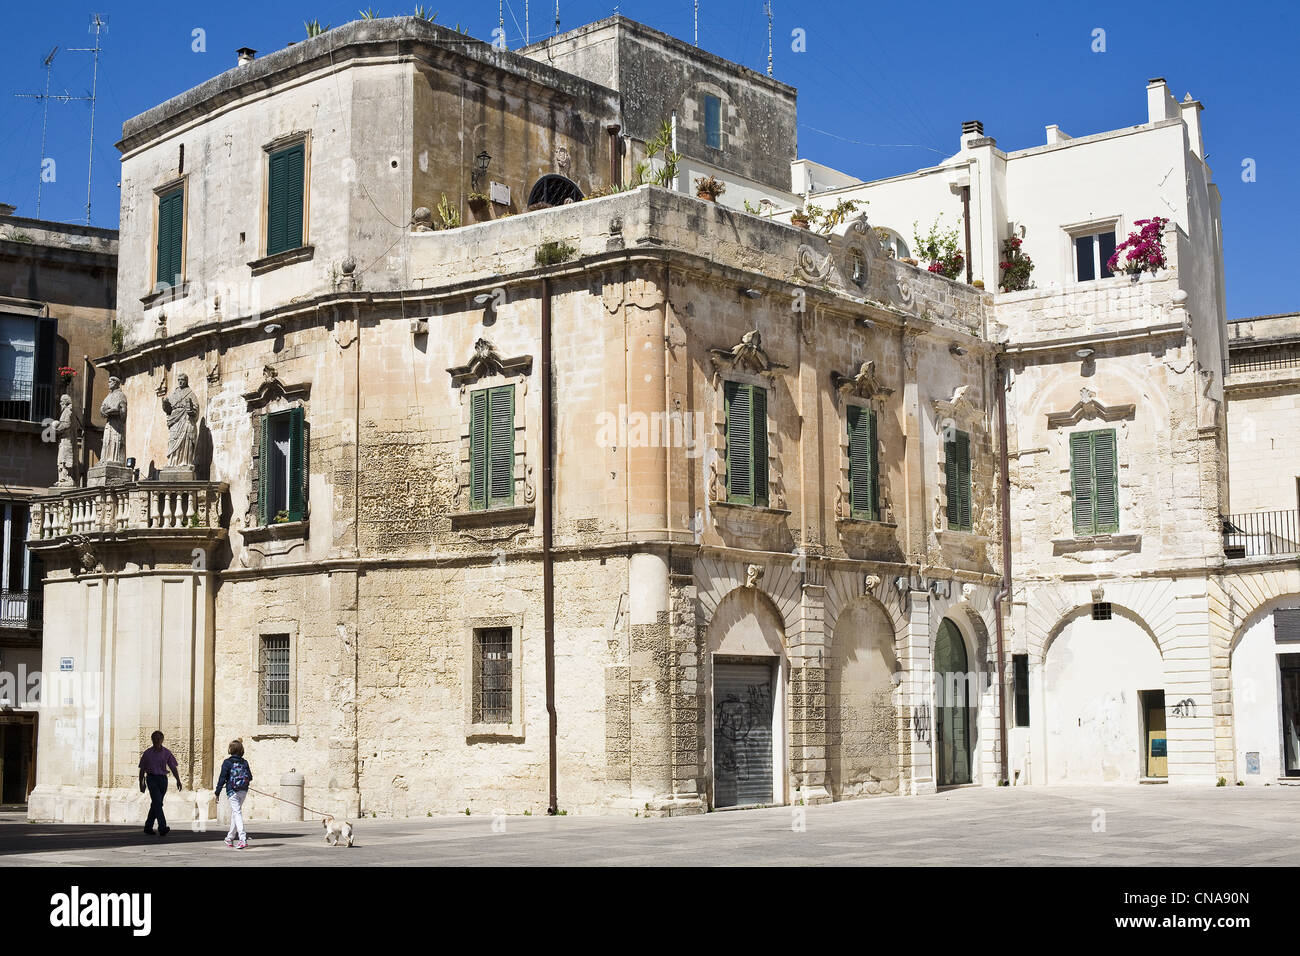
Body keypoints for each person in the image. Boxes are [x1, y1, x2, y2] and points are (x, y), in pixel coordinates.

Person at [138, 730, 183, 836]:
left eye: (159, 738)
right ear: (152, 740)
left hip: (163, 780)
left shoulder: (167, 752)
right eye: (154, 738)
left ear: (162, 740)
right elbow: (142, 769)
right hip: (151, 779)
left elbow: (173, 767)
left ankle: (148, 827)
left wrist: (178, 780)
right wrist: (141, 783)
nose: (156, 740)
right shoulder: (147, 753)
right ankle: (162, 827)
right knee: (158, 803)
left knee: (156, 804)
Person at [213, 739, 253, 849]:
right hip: (243, 791)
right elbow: (250, 777)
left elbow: (222, 778)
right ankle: (229, 838)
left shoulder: (227, 762)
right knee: (236, 813)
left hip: (232, 791)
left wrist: (217, 792)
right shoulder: (244, 762)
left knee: (237, 813)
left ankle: (242, 839)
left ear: (230, 749)